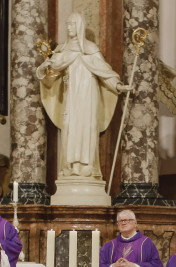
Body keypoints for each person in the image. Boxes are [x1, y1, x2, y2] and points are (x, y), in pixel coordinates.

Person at [35, 12, 130, 179]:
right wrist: (45, 68)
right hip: (70, 96)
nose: (68, 27)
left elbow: (104, 72)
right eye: (67, 24)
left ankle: (87, 167)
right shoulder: (61, 50)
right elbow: (52, 77)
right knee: (69, 127)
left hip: (88, 96)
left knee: (87, 128)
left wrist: (118, 85)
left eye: (72, 24)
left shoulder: (90, 49)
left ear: (79, 25)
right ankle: (69, 167)